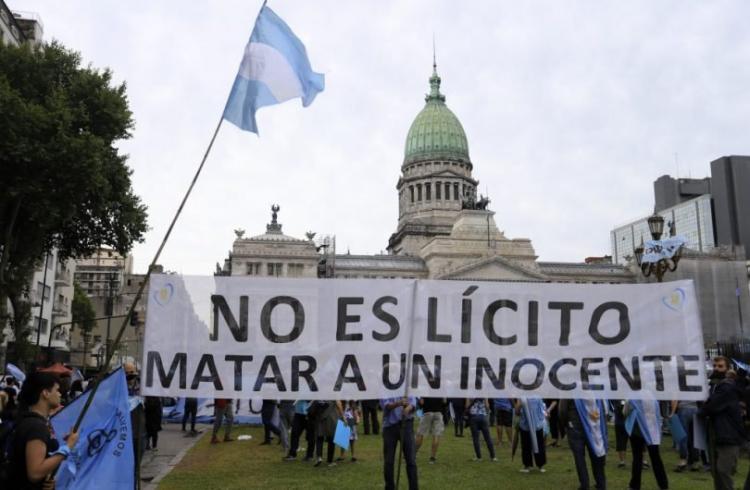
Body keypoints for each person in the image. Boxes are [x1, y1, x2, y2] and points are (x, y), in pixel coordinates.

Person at [7, 371, 79, 489]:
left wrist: (47, 476)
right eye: (56, 390)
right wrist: (68, 447)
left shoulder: (27, 420)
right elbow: (35, 473)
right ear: (45, 393)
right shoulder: (36, 427)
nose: (60, 394)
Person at [700, 356, 746, 490]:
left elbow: (711, 407)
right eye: (714, 366)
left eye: (720, 366)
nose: (716, 368)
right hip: (717, 433)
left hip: (729, 435)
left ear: (727, 369)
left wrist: (704, 408)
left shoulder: (727, 387)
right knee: (716, 471)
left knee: (723, 470)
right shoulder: (715, 386)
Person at [559, 399, 607, 490]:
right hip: (593, 427)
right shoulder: (595, 388)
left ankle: (584, 484)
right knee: (596, 455)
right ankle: (601, 483)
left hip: (575, 427)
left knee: (579, 458)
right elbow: (602, 409)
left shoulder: (569, 388)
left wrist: (565, 425)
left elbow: (562, 410)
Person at [624, 399, 668, 490]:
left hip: (637, 430)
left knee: (637, 458)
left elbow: (625, 412)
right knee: (656, 458)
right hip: (652, 430)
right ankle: (663, 484)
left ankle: (634, 485)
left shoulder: (632, 398)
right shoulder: (653, 398)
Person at [381, 396, 418, 490]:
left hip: (406, 424)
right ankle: (389, 487)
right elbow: (385, 406)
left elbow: (414, 402)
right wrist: (398, 403)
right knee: (389, 461)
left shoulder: (406, 383)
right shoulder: (385, 387)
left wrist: (409, 407)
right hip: (389, 426)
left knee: (411, 460)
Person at [516, 398, 547, 473]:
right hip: (525, 425)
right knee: (526, 445)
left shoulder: (537, 397)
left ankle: (540, 465)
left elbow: (541, 410)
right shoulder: (521, 397)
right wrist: (519, 405)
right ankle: (527, 465)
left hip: (537, 425)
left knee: (539, 445)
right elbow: (517, 412)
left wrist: (541, 419)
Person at [670, 399, 700, 472]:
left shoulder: (679, 386)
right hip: (695, 409)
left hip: (683, 409)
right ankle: (695, 462)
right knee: (694, 437)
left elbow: (675, 398)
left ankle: (683, 460)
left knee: (683, 436)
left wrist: (672, 413)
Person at [312, 400, 343, 467]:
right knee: (331, 439)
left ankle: (319, 457)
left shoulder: (319, 393)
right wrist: (342, 416)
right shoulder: (333, 392)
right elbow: (338, 403)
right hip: (331, 417)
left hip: (320, 417)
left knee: (319, 438)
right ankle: (330, 460)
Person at [465, 398, 496, 462]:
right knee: (488, 438)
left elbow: (467, 406)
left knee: (476, 438)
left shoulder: (469, 392)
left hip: (473, 417)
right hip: (483, 417)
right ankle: (493, 457)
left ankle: (479, 457)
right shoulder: (484, 392)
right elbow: (487, 406)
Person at [415, 397, 445, 463]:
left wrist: (420, 405)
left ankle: (413, 454)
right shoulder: (442, 389)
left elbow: (421, 403)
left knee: (420, 434)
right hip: (438, 413)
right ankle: (432, 458)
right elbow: (444, 402)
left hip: (427, 412)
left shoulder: (426, 388)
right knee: (436, 435)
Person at [611, 399, 629, 468]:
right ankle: (622, 461)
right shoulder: (627, 399)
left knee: (620, 442)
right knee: (622, 442)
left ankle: (622, 461)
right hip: (625, 423)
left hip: (620, 423)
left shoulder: (616, 399)